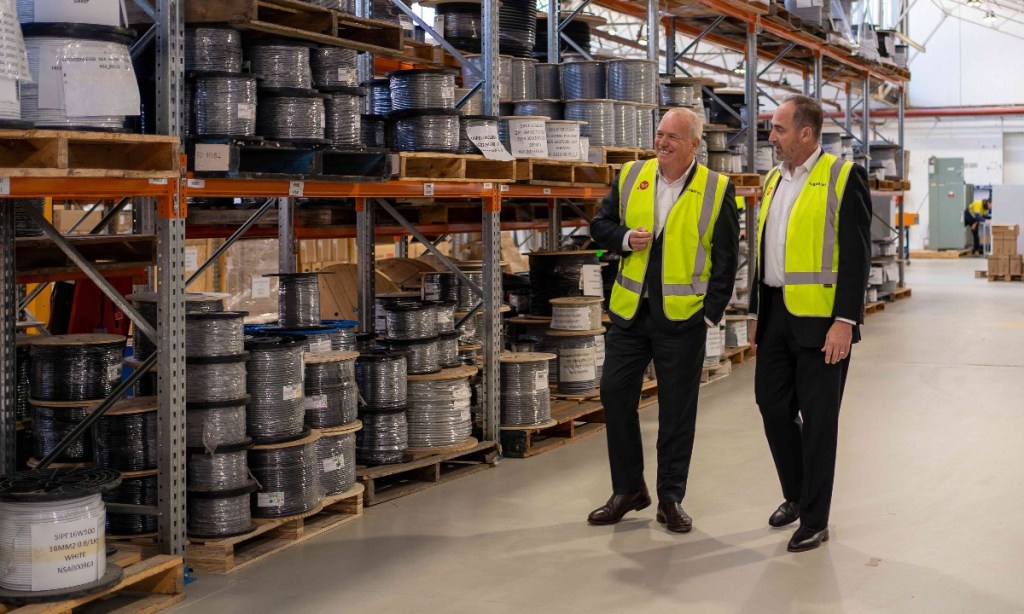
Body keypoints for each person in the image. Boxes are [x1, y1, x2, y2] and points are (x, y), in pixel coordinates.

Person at [587, 107, 739, 533]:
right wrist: (621, 238)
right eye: (659, 134)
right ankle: (629, 490)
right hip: (630, 313)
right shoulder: (632, 175)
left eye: (673, 136)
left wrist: (710, 315)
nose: (663, 142)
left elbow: (727, 258)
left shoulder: (716, 188)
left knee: (676, 413)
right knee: (615, 395)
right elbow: (599, 226)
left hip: (683, 318)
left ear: (694, 144)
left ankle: (670, 498)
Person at [748, 95, 871, 552]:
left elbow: (857, 255)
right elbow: (768, 253)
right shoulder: (773, 180)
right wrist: (761, 313)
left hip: (824, 319)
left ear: (806, 133)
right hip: (778, 311)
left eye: (779, 129)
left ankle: (815, 518)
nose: (772, 136)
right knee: (772, 406)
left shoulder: (842, 176)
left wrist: (845, 321)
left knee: (820, 421)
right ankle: (797, 495)